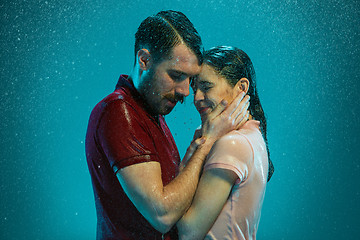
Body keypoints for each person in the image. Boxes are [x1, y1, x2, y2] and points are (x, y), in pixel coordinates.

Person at [85, 11, 250, 239]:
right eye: (176, 75)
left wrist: (194, 151)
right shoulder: (119, 112)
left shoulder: (150, 112)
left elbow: (172, 193)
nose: (185, 91)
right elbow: (162, 215)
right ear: (144, 60)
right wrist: (208, 142)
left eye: (190, 80)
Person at [176, 46, 274, 240]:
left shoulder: (233, 144)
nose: (196, 98)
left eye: (206, 87)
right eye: (195, 89)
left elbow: (188, 232)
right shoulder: (253, 136)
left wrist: (203, 144)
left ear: (242, 88)